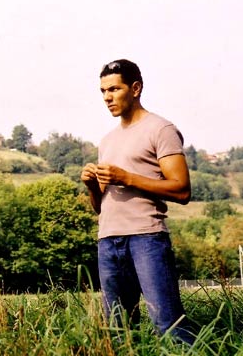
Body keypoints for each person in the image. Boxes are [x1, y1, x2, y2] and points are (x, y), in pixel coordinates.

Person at [81, 59, 196, 344]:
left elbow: (182, 191)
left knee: (168, 326)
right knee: (118, 333)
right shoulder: (107, 140)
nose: (107, 97)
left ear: (135, 88)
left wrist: (127, 177)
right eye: (103, 91)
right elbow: (100, 207)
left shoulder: (161, 129)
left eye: (114, 89)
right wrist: (92, 188)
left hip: (146, 238)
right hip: (108, 240)